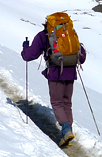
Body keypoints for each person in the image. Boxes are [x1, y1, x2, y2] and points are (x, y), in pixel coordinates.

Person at [21, 17, 86, 146]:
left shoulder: (43, 35)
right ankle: (68, 132)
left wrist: (25, 48)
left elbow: (30, 55)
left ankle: (66, 129)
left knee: (57, 103)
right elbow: (82, 57)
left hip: (56, 73)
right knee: (67, 103)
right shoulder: (69, 34)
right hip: (71, 72)